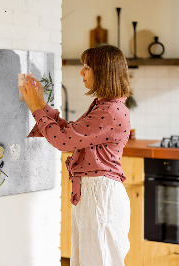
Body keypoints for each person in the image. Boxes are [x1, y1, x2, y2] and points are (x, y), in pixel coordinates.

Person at [19, 44, 132, 266]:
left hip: (100, 195)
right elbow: (71, 133)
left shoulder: (109, 111)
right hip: (94, 193)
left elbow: (63, 141)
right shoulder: (105, 106)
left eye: (87, 67)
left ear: (103, 71)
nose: (81, 72)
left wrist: (35, 108)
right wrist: (41, 104)